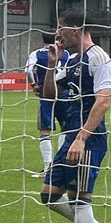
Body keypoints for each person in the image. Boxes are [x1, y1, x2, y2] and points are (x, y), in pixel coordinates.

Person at [38, 7, 111, 223]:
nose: (57, 32)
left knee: (80, 199)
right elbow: (49, 95)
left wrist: (82, 138)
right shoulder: (70, 59)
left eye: (60, 27)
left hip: (89, 139)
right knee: (49, 195)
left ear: (74, 29)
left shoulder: (99, 58)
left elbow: (104, 101)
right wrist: (52, 63)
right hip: (71, 136)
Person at [25, 33, 72, 180]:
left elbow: (28, 70)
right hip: (63, 93)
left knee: (45, 130)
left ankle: (47, 168)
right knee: (66, 128)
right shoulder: (66, 53)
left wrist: (34, 85)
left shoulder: (37, 53)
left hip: (46, 93)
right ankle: (61, 164)